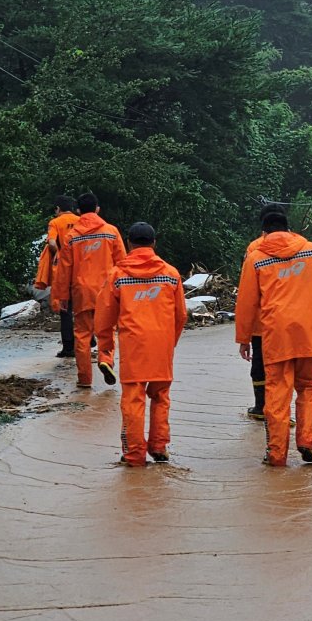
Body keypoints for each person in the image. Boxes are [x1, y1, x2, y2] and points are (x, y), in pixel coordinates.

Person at [235, 210, 312, 467]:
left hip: (276, 336)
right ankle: (306, 441)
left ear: (264, 232)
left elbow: (247, 303)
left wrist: (244, 338)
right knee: (310, 388)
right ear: (289, 228)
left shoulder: (256, 258)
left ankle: (276, 454)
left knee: (278, 395)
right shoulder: (311, 251)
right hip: (310, 334)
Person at [95, 222, 187, 467]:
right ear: (154, 243)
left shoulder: (117, 275)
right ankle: (159, 446)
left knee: (133, 399)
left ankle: (134, 454)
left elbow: (104, 317)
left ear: (128, 243)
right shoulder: (171, 274)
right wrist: (171, 343)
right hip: (161, 345)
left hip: (133, 345)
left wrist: (105, 349)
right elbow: (180, 316)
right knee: (160, 396)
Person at [52, 191, 126, 389]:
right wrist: (125, 292)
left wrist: (62, 297)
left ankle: (85, 379)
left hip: (81, 292)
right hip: (107, 290)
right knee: (107, 331)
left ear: (78, 211)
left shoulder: (72, 236)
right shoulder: (111, 231)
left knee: (82, 335)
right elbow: (122, 264)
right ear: (98, 209)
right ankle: (105, 360)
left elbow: (63, 270)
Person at [244, 202, 285, 421]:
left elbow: (248, 293)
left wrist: (243, 334)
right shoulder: (304, 247)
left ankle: (262, 406)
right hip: (291, 321)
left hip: (262, 321)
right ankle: (283, 411)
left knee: (259, 364)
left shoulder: (254, 249)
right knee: (286, 367)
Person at [48, 196, 79, 357]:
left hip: (63, 270)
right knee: (83, 307)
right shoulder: (81, 220)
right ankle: (89, 339)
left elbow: (52, 242)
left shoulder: (55, 223)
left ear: (58, 209)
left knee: (65, 309)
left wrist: (58, 254)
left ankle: (68, 347)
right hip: (81, 269)